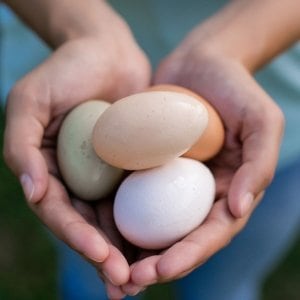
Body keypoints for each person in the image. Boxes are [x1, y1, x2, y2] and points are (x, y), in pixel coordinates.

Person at [1, 0, 300, 299]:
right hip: (71, 59)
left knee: (223, 285)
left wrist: (232, 48)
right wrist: (80, 29)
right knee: (94, 278)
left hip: (275, 105)